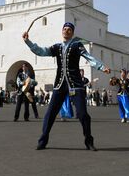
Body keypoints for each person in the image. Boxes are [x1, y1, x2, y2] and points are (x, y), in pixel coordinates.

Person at [23, 22, 111, 151]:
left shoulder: (77, 45)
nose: (66, 31)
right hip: (59, 84)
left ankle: (89, 141)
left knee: (82, 114)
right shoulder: (57, 47)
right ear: (62, 31)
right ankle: (43, 140)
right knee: (50, 113)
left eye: (69, 29)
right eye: (64, 29)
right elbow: (41, 51)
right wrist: (28, 42)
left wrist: (102, 67)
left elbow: (88, 57)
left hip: (75, 84)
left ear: (72, 32)